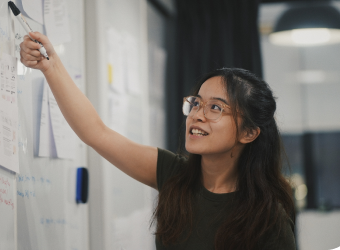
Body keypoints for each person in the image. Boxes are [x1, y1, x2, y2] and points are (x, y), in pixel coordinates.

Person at [19, 31, 296, 250]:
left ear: (249, 133)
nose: (197, 115)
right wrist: (51, 66)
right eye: (197, 103)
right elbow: (95, 132)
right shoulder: (173, 174)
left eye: (215, 108)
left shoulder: (268, 218)